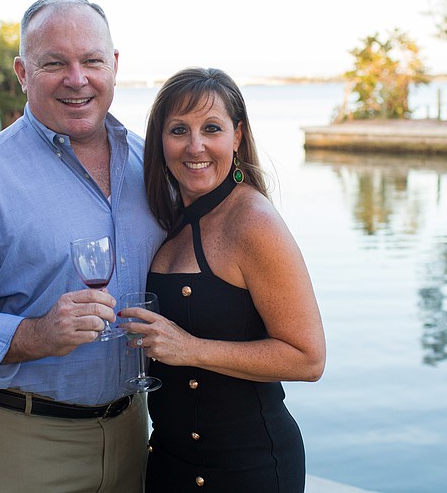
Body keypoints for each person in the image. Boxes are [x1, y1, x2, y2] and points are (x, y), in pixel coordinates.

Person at [0, 0, 165, 492]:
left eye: (91, 61)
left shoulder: (151, 165)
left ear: (115, 65)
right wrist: (35, 335)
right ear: (22, 71)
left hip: (132, 434)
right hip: (12, 444)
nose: (77, 78)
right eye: (54, 63)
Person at [119, 67, 326, 492]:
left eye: (211, 128)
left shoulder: (253, 221)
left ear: (237, 136)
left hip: (246, 469)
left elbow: (308, 359)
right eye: (179, 130)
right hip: (168, 461)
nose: (196, 146)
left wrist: (190, 349)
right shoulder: (167, 217)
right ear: (160, 139)